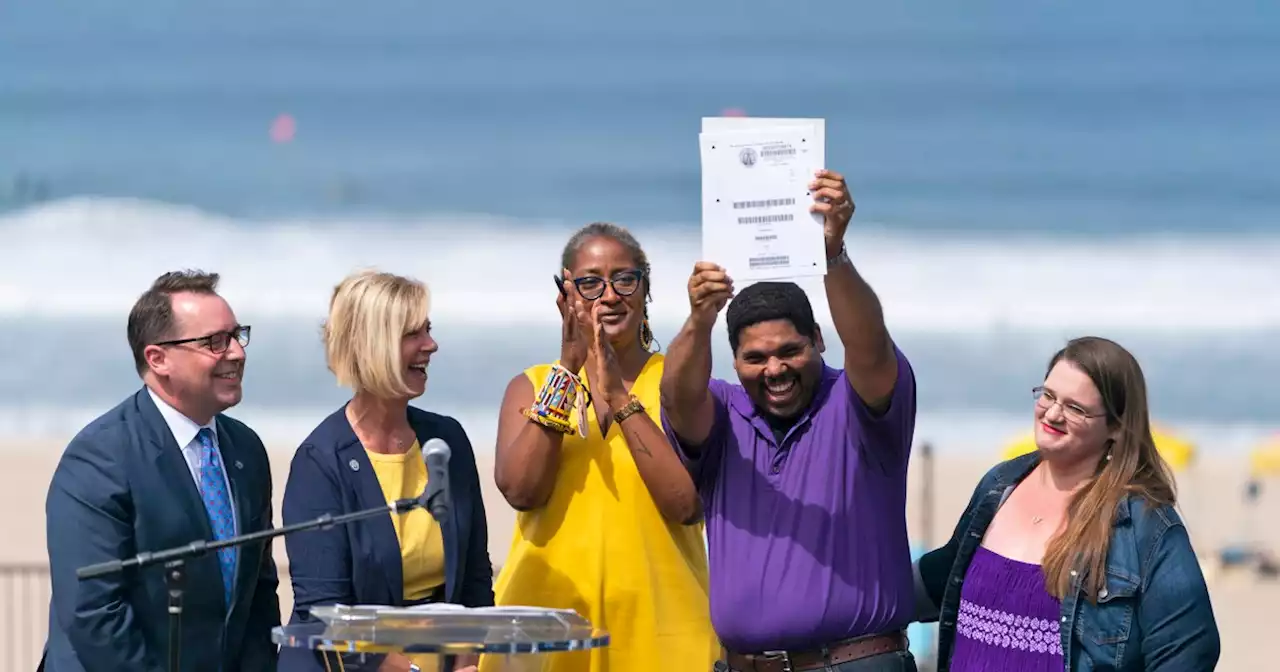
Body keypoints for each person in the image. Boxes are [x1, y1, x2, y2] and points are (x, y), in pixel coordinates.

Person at [661, 170, 919, 672]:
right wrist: (699, 319)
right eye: (755, 357)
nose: (775, 369)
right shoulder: (724, 414)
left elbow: (870, 346)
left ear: (819, 340)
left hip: (853, 663)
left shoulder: (857, 405)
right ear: (733, 361)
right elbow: (676, 396)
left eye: (790, 351)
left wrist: (833, 255)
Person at [484, 222, 720, 672]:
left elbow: (685, 504)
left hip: (663, 632)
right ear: (565, 295)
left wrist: (618, 398)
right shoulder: (531, 385)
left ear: (644, 289)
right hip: (545, 635)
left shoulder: (675, 382)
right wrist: (569, 369)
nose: (609, 296)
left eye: (624, 279)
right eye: (590, 283)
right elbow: (521, 490)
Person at [913, 337, 1221, 671]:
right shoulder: (1000, 484)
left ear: (1116, 427)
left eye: (1075, 408)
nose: (1053, 413)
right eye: (1047, 395)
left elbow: (1188, 650)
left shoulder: (1145, 525)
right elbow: (947, 573)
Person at [42, 270, 280, 672]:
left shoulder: (246, 450)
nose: (237, 353)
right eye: (215, 342)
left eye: (237, 336)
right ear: (158, 358)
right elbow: (94, 614)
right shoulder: (100, 457)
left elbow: (258, 591)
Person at [280, 270, 493, 672]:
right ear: (372, 345)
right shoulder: (320, 460)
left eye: (428, 329)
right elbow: (323, 614)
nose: (431, 345)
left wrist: (468, 665)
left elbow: (474, 582)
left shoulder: (446, 441)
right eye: (413, 333)